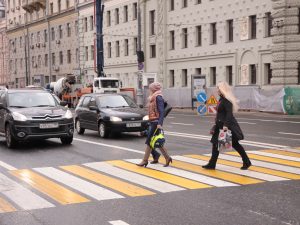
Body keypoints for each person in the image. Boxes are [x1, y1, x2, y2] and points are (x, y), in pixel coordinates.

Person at [202, 81, 252, 170]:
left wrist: (226, 125)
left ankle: (246, 161)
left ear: (222, 89)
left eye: (218, 88)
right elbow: (220, 113)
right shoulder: (221, 99)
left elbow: (229, 114)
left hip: (226, 127)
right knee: (215, 144)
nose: (217, 90)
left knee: (236, 144)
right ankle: (212, 164)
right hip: (219, 126)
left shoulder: (227, 101)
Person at [137, 82, 172, 167]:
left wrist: (160, 123)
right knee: (155, 141)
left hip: (156, 123)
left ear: (153, 89)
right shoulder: (153, 97)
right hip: (153, 121)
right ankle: (167, 157)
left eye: (150, 89)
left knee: (149, 141)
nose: (149, 90)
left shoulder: (158, 97)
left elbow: (161, 111)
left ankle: (145, 160)